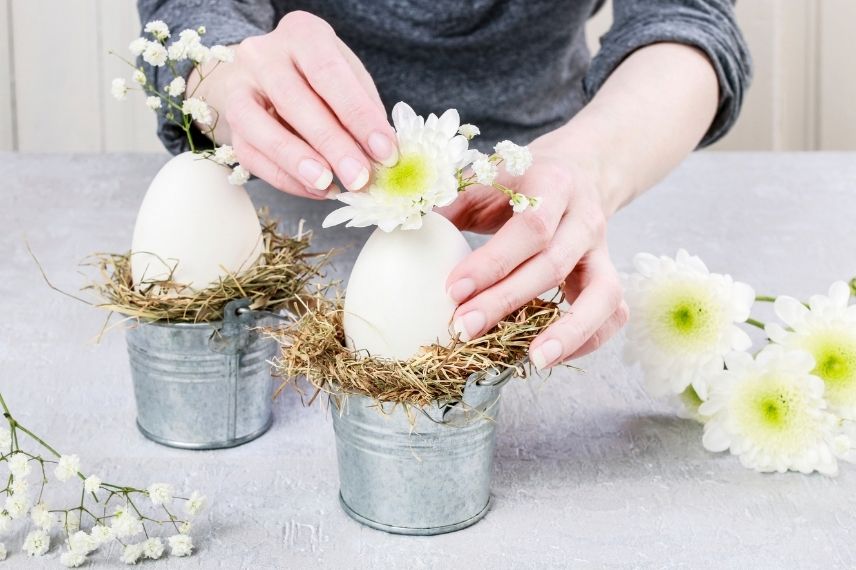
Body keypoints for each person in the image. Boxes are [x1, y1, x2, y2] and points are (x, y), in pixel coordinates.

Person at [138, 0, 750, 370]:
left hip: (537, 203)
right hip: (282, 216)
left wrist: (590, 164)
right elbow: (192, 13)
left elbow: (686, 18)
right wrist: (219, 69)